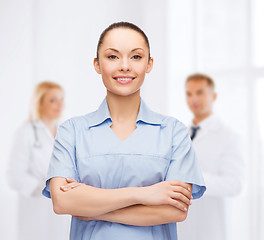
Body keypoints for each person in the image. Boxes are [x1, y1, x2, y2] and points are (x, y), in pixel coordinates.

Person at [42, 22, 206, 240]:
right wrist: (146, 194)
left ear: (149, 64)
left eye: (136, 57)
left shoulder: (173, 132)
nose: (125, 66)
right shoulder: (72, 131)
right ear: (97, 64)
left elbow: (175, 210)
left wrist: (92, 206)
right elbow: (62, 202)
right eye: (112, 57)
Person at [178, 73, 245, 240]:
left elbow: (234, 184)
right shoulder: (181, 135)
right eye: (189, 93)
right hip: (182, 225)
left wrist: (193, 182)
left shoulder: (228, 137)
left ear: (213, 96)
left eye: (200, 92)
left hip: (211, 227)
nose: (194, 99)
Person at [7, 81, 70, 240]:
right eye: (53, 100)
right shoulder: (26, 132)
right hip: (35, 208)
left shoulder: (65, 132)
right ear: (39, 103)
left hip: (63, 208)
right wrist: (45, 187)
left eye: (61, 99)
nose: (60, 104)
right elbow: (14, 176)